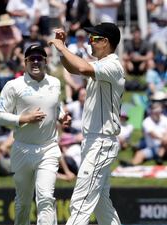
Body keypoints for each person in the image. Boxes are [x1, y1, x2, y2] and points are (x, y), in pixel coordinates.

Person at [49, 22, 124, 225]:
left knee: (81, 202)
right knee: (101, 203)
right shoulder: (101, 65)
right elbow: (74, 68)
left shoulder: (112, 65)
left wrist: (62, 47)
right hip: (94, 141)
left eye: (93, 39)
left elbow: (81, 66)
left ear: (105, 42)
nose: (89, 42)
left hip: (101, 141)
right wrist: (63, 51)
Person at [0, 44, 71, 225]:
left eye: (39, 58)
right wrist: (24, 118)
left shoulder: (54, 83)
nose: (35, 62)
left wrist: (61, 117)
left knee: (45, 198)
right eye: (31, 58)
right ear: (25, 62)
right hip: (22, 149)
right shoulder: (13, 85)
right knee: (22, 203)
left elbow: (55, 105)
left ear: (46, 61)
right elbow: (0, 117)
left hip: (48, 149)